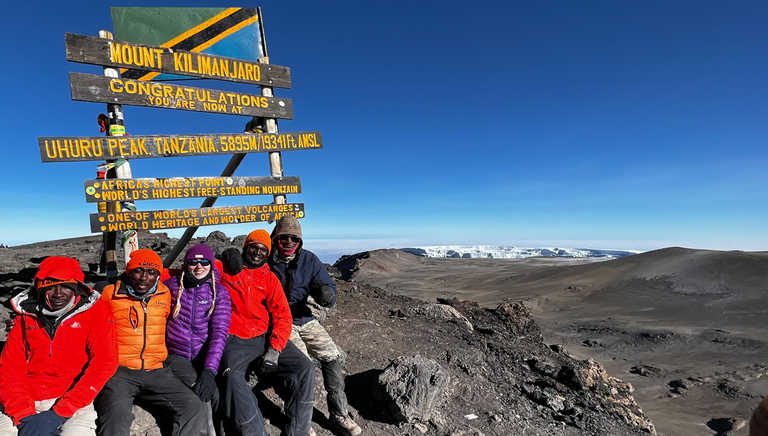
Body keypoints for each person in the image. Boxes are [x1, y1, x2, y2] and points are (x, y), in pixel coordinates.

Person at [0, 256, 118, 436]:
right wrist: (22, 414)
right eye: (51, 285)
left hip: (73, 400)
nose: (58, 293)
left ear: (77, 287)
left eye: (66, 286)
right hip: (25, 398)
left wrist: (59, 413)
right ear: (40, 287)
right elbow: (10, 367)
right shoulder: (25, 314)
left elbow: (104, 362)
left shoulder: (96, 311)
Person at [268, 215, 362, 436]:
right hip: (280, 321)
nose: (289, 242)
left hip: (304, 318)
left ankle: (339, 414)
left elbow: (327, 287)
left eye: (294, 238)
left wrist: (326, 294)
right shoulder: (266, 261)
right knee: (303, 365)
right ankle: (299, 419)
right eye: (284, 238)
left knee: (332, 356)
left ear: (300, 242)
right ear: (276, 239)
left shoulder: (309, 260)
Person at [94, 249, 204, 436]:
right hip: (118, 371)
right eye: (138, 271)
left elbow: (204, 268)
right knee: (116, 417)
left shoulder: (164, 294)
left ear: (158, 275)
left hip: (156, 370)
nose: (144, 278)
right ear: (129, 272)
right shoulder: (108, 294)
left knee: (193, 406)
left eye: (152, 272)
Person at [219, 229, 315, 436]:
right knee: (232, 378)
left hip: (264, 336)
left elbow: (283, 315)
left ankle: (298, 430)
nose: (257, 252)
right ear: (245, 248)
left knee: (305, 367)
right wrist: (223, 253)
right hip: (234, 338)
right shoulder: (226, 269)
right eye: (253, 247)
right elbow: (196, 265)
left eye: (263, 250)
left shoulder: (270, 279)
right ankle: (253, 431)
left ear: (268, 253)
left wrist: (275, 348)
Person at [163, 244, 231, 435]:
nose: (199, 266)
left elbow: (219, 335)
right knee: (201, 395)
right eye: (193, 262)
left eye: (204, 262)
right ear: (186, 265)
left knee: (218, 395)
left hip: (203, 357)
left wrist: (209, 371)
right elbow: (151, 272)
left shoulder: (219, 293)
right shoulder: (172, 287)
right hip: (176, 355)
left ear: (212, 265)